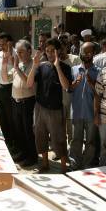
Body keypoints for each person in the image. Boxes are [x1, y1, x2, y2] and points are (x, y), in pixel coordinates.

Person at [27, 38, 72, 172]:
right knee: (40, 137)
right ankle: (45, 164)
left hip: (55, 110)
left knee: (59, 139)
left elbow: (66, 87)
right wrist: (34, 65)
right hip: (40, 107)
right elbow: (29, 84)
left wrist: (57, 66)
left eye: (53, 51)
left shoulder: (65, 67)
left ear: (58, 51)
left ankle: (64, 167)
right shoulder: (41, 66)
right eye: (47, 51)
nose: (50, 53)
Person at [3, 40, 38, 167]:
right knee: (19, 130)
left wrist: (16, 67)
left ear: (29, 51)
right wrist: (5, 63)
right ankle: (23, 152)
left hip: (27, 101)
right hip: (16, 101)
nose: (19, 55)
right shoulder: (19, 65)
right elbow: (6, 78)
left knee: (28, 130)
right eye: (18, 53)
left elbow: (29, 84)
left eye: (22, 52)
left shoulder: (33, 64)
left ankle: (32, 156)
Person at [69, 42, 99, 170]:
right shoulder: (74, 69)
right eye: (84, 51)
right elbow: (68, 89)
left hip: (91, 113)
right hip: (76, 111)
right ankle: (74, 163)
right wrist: (74, 84)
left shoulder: (98, 71)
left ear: (93, 54)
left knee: (91, 141)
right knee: (76, 140)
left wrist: (92, 82)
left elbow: (100, 93)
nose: (86, 55)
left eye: (89, 52)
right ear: (80, 52)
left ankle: (87, 164)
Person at [0, 33, 17, 151]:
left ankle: (15, 143)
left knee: (11, 118)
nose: (2, 45)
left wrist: (9, 50)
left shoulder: (15, 53)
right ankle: (7, 141)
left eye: (4, 43)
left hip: (10, 88)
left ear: (10, 42)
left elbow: (14, 63)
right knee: (2, 117)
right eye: (1, 43)